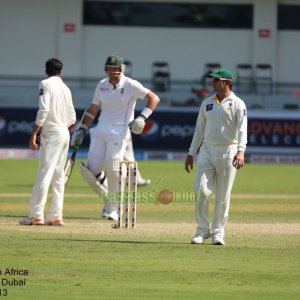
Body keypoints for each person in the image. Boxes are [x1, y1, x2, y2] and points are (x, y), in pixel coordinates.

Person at [71, 55, 160, 221]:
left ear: (122, 69)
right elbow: (93, 108)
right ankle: (110, 201)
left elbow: (154, 98)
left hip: (119, 131)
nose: (114, 72)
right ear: (106, 69)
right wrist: (82, 128)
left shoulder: (130, 84)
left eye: (117, 69)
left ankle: (114, 209)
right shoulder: (101, 85)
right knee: (91, 172)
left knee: (113, 168)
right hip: (100, 129)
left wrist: (142, 118)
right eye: (111, 69)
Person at [184, 68, 247, 245]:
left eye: (217, 80)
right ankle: (202, 230)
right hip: (207, 150)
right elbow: (199, 131)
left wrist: (241, 151)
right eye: (212, 80)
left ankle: (218, 232)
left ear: (227, 82)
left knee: (222, 195)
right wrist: (191, 153)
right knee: (201, 190)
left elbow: (243, 130)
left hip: (229, 151)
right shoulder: (206, 103)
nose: (213, 83)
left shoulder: (238, 103)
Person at [19, 58, 76, 226]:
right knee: (58, 176)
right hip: (64, 132)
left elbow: (43, 109)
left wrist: (34, 133)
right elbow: (72, 117)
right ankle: (55, 216)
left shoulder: (45, 83)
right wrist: (60, 127)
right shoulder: (66, 88)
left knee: (45, 173)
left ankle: (36, 214)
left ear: (46, 71)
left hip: (53, 132)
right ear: (61, 72)